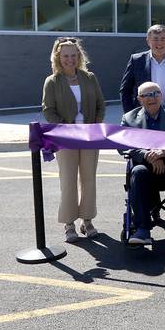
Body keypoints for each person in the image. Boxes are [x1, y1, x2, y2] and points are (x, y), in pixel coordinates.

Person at [41, 37, 105, 243]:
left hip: (89, 137)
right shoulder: (52, 81)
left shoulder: (90, 77)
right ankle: (69, 224)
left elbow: (100, 105)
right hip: (66, 138)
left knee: (89, 180)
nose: (70, 59)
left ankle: (87, 221)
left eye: (73, 55)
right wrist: (64, 128)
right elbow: (48, 110)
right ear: (58, 58)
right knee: (68, 181)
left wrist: (95, 125)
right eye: (65, 56)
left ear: (79, 56)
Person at [120, 82, 165, 245]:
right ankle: (143, 229)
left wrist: (164, 152)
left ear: (161, 95)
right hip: (145, 163)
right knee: (137, 172)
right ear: (139, 99)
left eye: (155, 93)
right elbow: (124, 146)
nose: (152, 98)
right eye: (147, 95)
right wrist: (148, 155)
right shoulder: (129, 119)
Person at [120, 24, 165, 120]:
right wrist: (131, 116)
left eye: (163, 39)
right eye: (155, 39)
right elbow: (125, 90)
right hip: (143, 117)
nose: (159, 43)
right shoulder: (136, 60)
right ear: (148, 41)